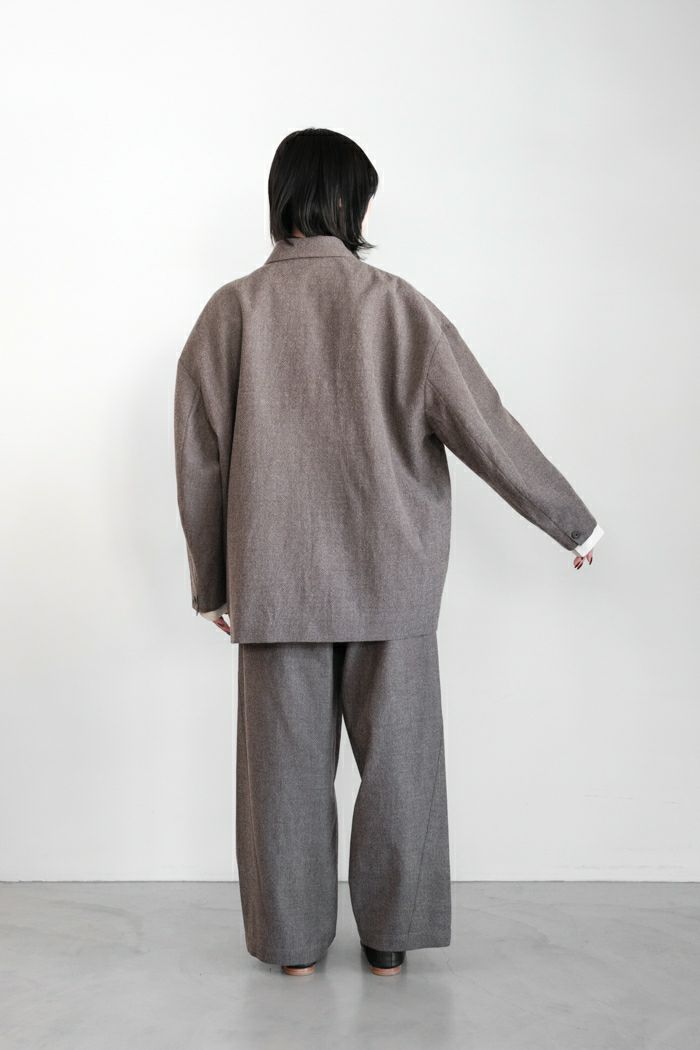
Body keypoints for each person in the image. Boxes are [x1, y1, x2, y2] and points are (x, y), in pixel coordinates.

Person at [173, 127, 604, 978]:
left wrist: (213, 585)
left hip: (276, 581)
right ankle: (389, 943)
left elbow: (200, 458)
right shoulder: (399, 308)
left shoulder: (231, 312)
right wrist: (572, 523)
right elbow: (485, 425)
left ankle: (294, 950)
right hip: (392, 579)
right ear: (349, 203)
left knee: (283, 778)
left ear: (282, 198)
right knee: (400, 768)